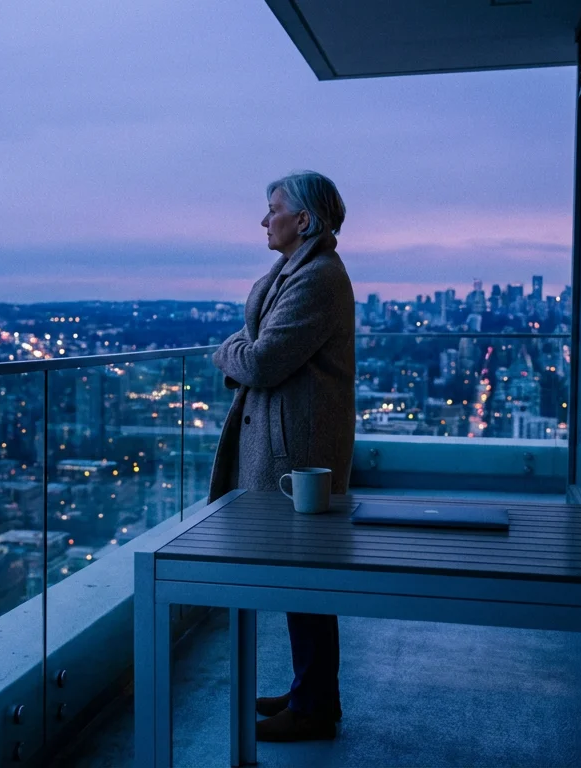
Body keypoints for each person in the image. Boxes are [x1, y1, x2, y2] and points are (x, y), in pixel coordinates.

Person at [210, 170, 356, 742]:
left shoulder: (317, 278)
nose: (263, 220)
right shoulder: (299, 272)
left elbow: (263, 361)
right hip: (289, 440)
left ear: (304, 219)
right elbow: (263, 355)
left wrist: (228, 349)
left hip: (298, 449)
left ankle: (314, 706)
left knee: (306, 574)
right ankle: (310, 692)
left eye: (273, 209)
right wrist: (246, 352)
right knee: (301, 574)